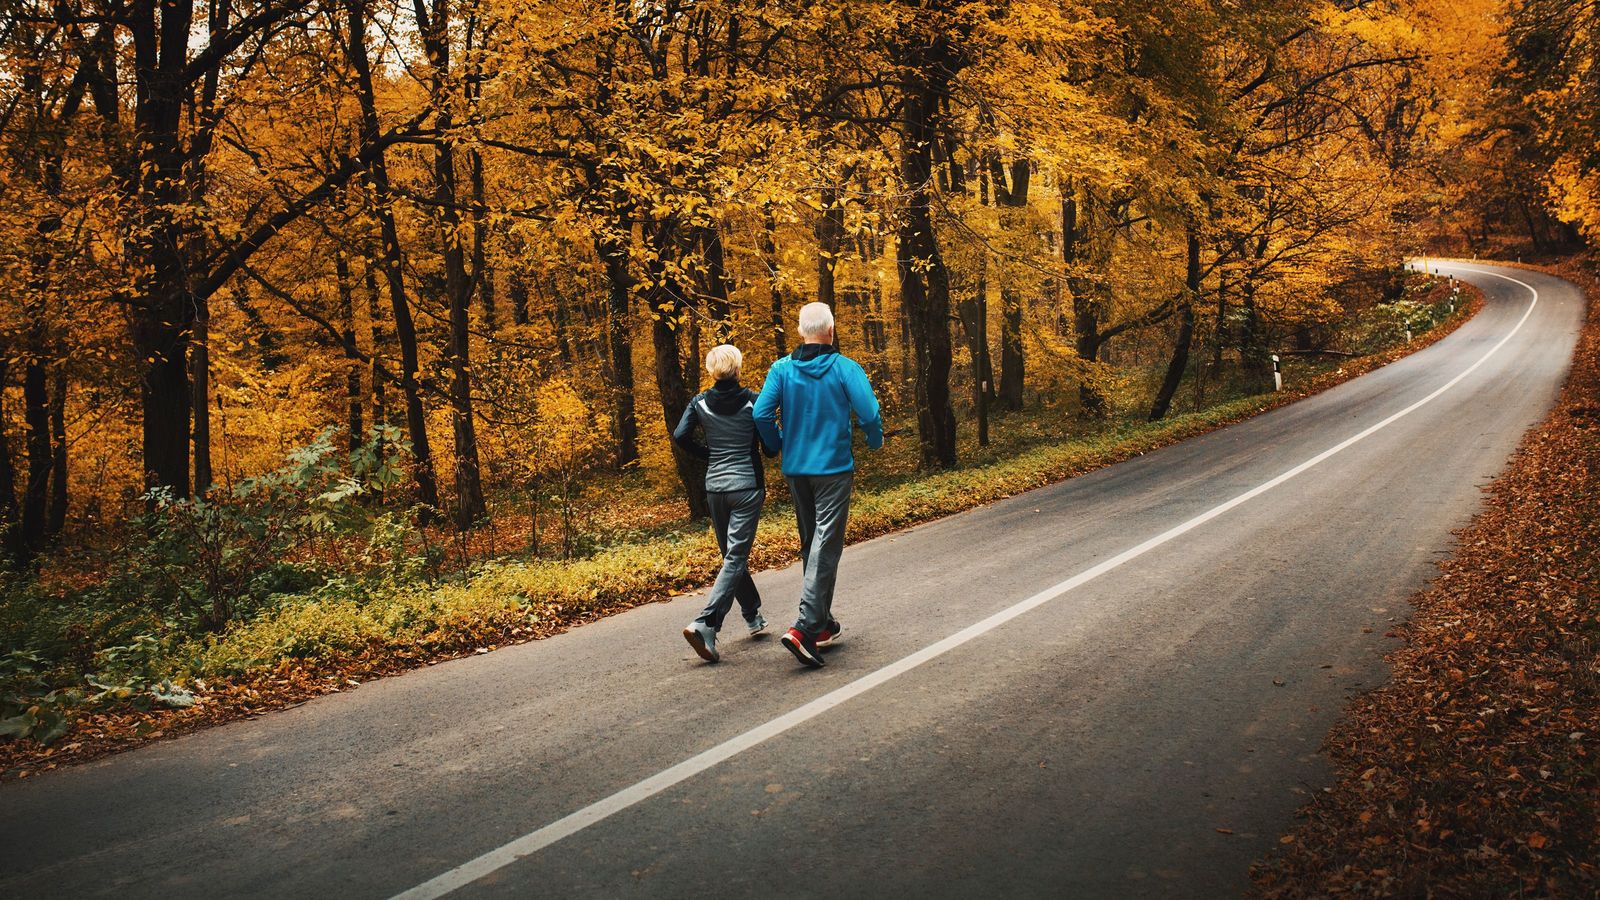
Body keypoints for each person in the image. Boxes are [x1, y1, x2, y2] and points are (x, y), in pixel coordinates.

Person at [754, 302, 884, 668]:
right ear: (831, 330)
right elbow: (870, 413)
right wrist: (874, 440)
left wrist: (778, 444)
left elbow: (762, 413)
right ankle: (804, 628)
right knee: (826, 544)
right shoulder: (844, 368)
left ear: (800, 332)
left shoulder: (781, 370)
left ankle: (824, 625)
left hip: (797, 470)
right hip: (833, 469)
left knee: (813, 543)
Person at [674, 344, 775, 663]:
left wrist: (709, 455)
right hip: (746, 487)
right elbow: (771, 448)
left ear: (711, 370)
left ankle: (752, 614)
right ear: (739, 368)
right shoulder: (754, 400)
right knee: (735, 557)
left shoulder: (699, 402)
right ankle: (706, 623)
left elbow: (680, 435)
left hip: (715, 488)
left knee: (732, 556)